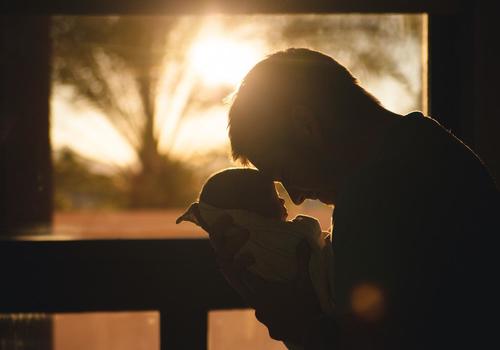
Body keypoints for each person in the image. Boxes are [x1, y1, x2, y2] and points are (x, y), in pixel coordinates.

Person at [209, 48, 500, 349]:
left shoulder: (373, 191)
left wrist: (289, 319)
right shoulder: (433, 148)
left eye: (284, 173)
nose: (295, 198)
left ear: (306, 125)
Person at [176, 168, 335, 350]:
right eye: (272, 197)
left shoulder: (242, 252)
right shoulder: (272, 242)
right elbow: (310, 235)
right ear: (248, 216)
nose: (287, 199)